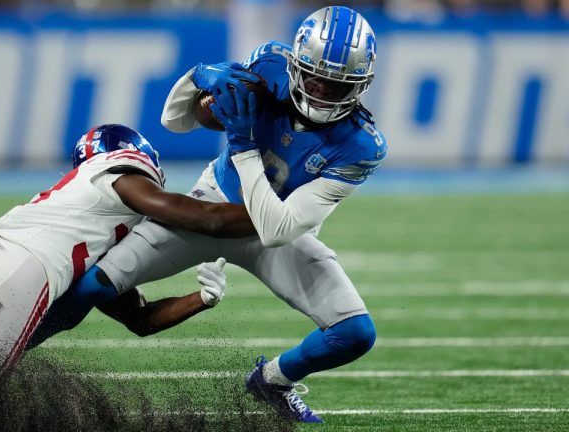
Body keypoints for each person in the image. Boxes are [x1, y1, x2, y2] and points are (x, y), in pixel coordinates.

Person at [54, 6, 387, 423]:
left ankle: (271, 381)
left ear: (360, 86)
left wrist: (244, 145)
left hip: (273, 230)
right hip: (210, 203)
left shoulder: (362, 146)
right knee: (92, 287)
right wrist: (198, 76)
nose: (321, 93)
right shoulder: (269, 66)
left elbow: (275, 229)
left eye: (337, 87)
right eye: (316, 78)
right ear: (297, 66)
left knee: (354, 333)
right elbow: (174, 120)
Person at [0, 124, 255, 432]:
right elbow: (207, 218)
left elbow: (137, 316)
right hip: (29, 276)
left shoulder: (78, 203)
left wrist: (200, 298)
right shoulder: (123, 178)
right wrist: (274, 221)